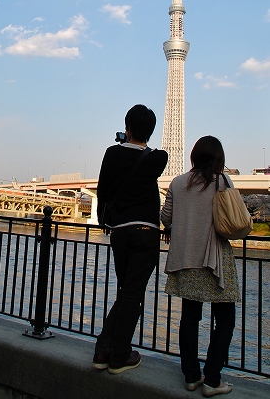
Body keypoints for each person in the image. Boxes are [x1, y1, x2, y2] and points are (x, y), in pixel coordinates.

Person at [161, 136, 240, 397]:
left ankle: (191, 376)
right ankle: (213, 378)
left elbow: (166, 218)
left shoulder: (177, 182)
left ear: (194, 156)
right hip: (214, 258)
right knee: (225, 319)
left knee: (190, 317)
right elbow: (232, 217)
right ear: (218, 158)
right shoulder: (222, 181)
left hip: (185, 258)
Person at [93, 104, 168, 374]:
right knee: (133, 294)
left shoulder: (111, 153)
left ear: (127, 127)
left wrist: (105, 219)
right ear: (150, 130)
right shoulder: (157, 158)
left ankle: (103, 350)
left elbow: (102, 189)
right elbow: (156, 155)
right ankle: (119, 355)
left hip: (120, 231)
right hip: (146, 232)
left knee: (125, 292)